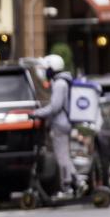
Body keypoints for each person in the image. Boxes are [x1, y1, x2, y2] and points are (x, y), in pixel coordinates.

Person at [32, 54, 77, 197]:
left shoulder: (59, 84)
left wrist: (37, 113)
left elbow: (54, 107)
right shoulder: (63, 82)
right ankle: (77, 182)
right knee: (65, 156)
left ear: (53, 68)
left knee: (62, 156)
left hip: (60, 124)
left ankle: (67, 187)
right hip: (65, 123)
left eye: (47, 68)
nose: (45, 71)